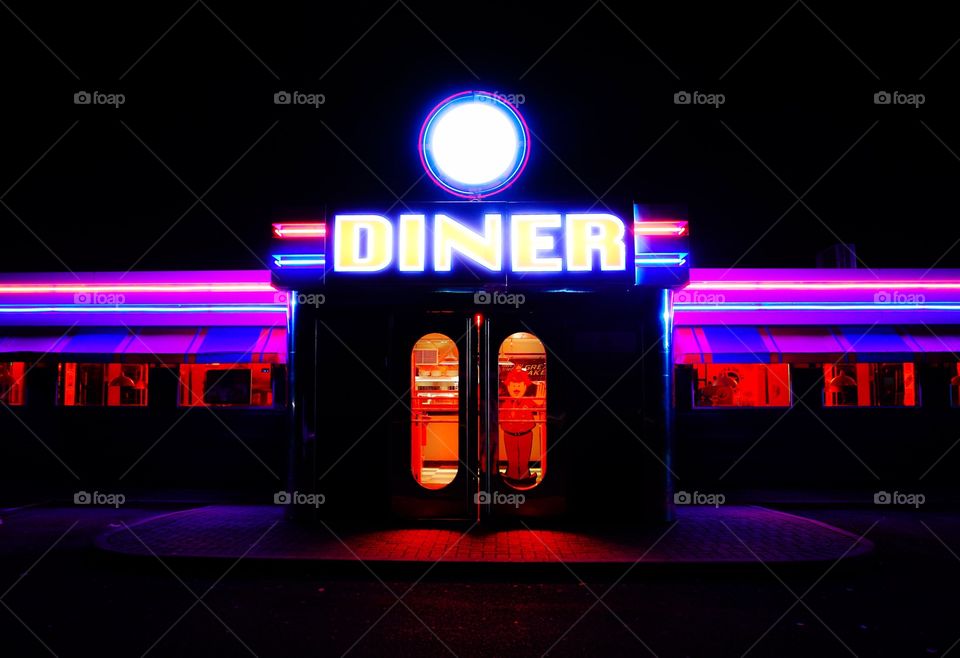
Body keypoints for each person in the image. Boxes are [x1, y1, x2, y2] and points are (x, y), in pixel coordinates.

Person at [498, 366, 544, 486]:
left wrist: (539, 404)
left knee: (524, 458)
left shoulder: (529, 401)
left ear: (525, 387)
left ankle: (524, 478)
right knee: (512, 458)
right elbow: (496, 414)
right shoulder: (504, 402)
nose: (516, 388)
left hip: (526, 434)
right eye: (513, 385)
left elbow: (540, 409)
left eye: (519, 385)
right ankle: (512, 476)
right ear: (508, 387)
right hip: (508, 434)